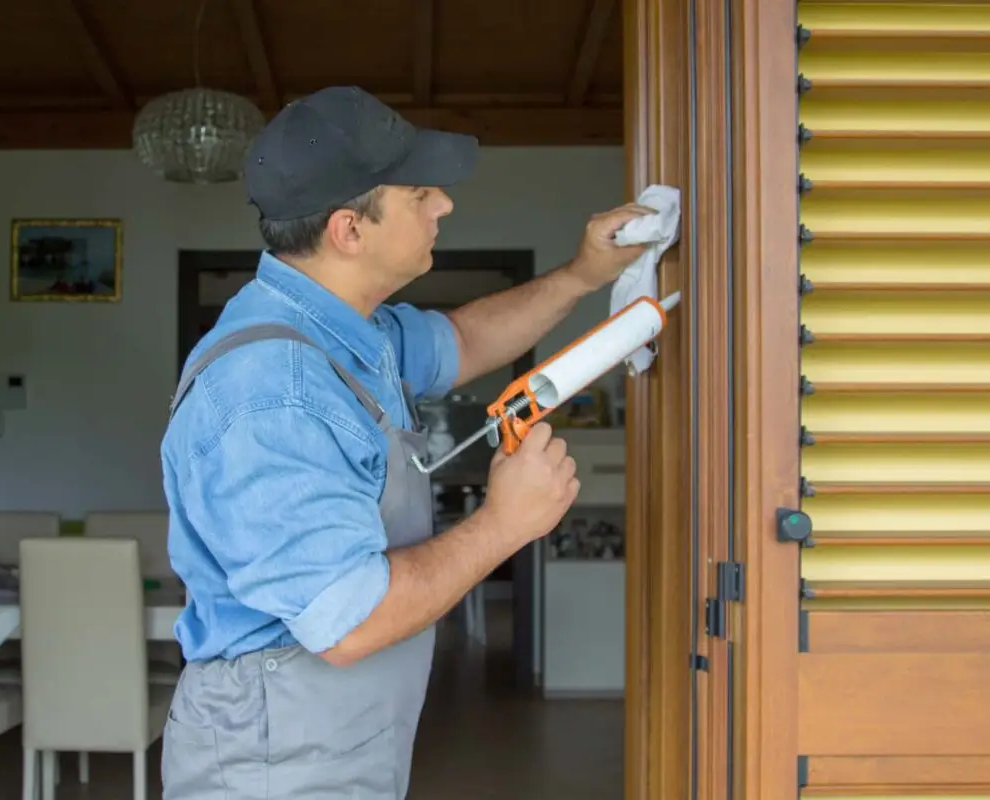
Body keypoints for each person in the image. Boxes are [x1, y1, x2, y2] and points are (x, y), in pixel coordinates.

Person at [160, 85, 651, 799]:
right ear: (348, 231)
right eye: (421, 191)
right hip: (274, 762)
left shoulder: (350, 333)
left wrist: (582, 274)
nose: (444, 205)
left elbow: (467, 339)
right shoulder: (272, 392)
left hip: (335, 739)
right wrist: (505, 523)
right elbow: (350, 621)